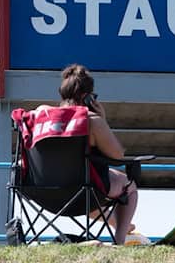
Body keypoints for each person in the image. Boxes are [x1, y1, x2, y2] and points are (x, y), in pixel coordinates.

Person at [37, 64, 137, 245]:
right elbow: (118, 157)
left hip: (41, 191)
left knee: (85, 189)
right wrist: (103, 121)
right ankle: (120, 239)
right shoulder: (92, 121)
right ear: (87, 96)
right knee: (128, 185)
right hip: (82, 191)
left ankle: (115, 221)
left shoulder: (39, 114)